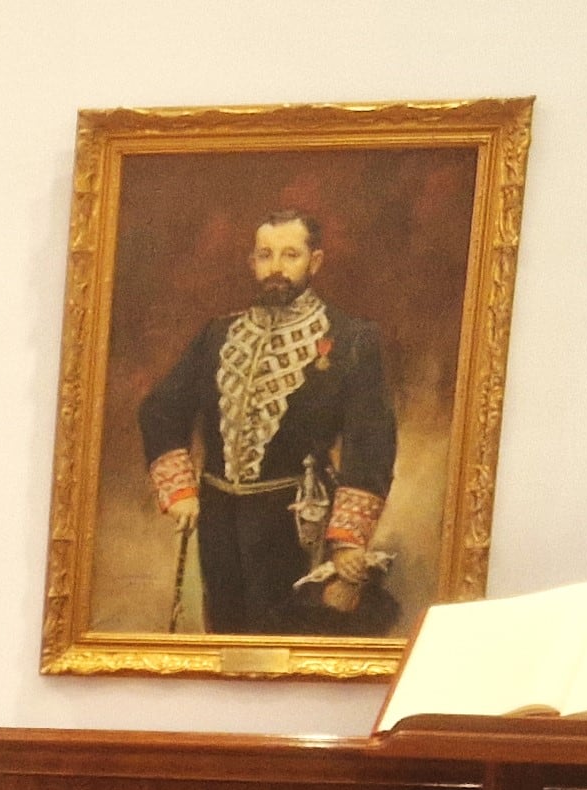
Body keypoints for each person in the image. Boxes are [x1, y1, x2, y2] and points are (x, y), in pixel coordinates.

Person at [137, 208, 399, 635]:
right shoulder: (218, 334)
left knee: (286, 639)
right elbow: (162, 408)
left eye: (290, 255)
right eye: (265, 255)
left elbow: (371, 441)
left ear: (314, 262)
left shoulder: (351, 338)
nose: (276, 268)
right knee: (224, 636)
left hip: (296, 523)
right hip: (219, 518)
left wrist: (347, 538)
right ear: (252, 263)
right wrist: (180, 490)